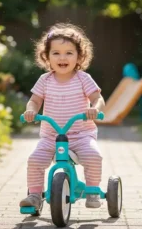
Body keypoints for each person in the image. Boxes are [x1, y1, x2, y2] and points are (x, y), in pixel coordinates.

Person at [20, 23, 105, 209]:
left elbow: (97, 98)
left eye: (69, 53)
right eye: (56, 53)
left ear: (79, 56)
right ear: (47, 57)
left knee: (93, 156)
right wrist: (31, 111)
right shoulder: (45, 80)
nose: (62, 57)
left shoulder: (83, 78)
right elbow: (34, 101)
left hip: (81, 135)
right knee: (34, 160)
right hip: (51, 137)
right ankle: (34, 195)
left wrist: (95, 109)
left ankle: (92, 191)